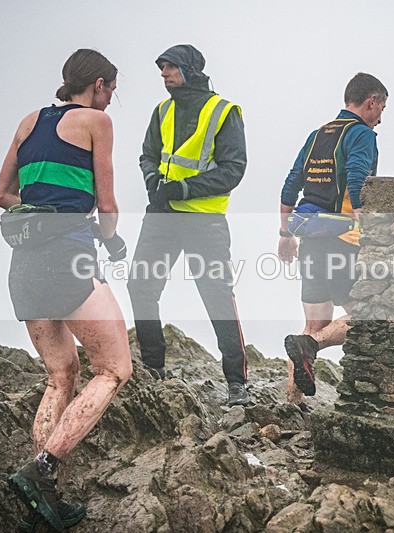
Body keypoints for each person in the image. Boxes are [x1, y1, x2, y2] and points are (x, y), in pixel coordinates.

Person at [0, 48, 133, 530]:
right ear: (97, 84)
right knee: (115, 368)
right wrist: (111, 242)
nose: (112, 99)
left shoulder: (29, 122)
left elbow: (2, 195)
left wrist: (41, 205)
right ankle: (43, 470)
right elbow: (108, 202)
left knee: (61, 375)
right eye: (112, 88)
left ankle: (42, 501)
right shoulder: (96, 122)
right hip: (68, 260)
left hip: (24, 265)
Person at [127, 44, 250, 407]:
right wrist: (152, 181)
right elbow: (148, 155)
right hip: (162, 216)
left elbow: (233, 169)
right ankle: (153, 369)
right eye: (161, 67)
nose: (164, 74)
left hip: (204, 221)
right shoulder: (162, 110)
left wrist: (184, 188)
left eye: (170, 67)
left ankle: (236, 383)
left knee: (216, 297)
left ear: (191, 69)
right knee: (140, 287)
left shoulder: (224, 111)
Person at [278, 73, 388, 406]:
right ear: (370, 101)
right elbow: (357, 181)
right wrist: (366, 228)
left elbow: (290, 186)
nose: (381, 116)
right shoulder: (362, 135)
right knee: (369, 318)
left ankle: (291, 405)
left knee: (313, 324)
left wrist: (285, 235)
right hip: (345, 240)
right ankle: (311, 348)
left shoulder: (317, 135)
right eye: (381, 107)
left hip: (310, 238)